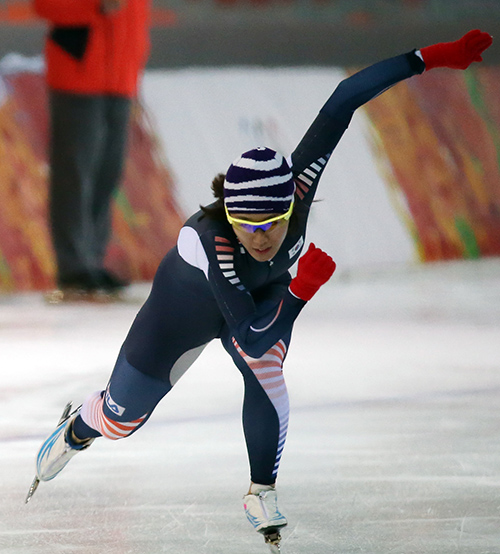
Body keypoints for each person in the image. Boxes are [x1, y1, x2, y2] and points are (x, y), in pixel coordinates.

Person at [29, 30, 492, 550]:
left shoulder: (299, 182)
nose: (261, 236)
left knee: (266, 368)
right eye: (246, 225)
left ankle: (260, 490)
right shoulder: (209, 241)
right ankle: (78, 428)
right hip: (184, 317)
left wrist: (428, 57)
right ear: (228, 214)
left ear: (290, 206)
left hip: (261, 301)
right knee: (122, 421)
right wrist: (301, 291)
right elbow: (245, 332)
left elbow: (344, 100)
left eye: (272, 224)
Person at [33, 0, 151, 300]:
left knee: (106, 173)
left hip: (121, 76)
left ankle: (91, 260)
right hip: (79, 72)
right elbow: (45, 5)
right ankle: (74, 266)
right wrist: (94, 6)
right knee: (75, 173)